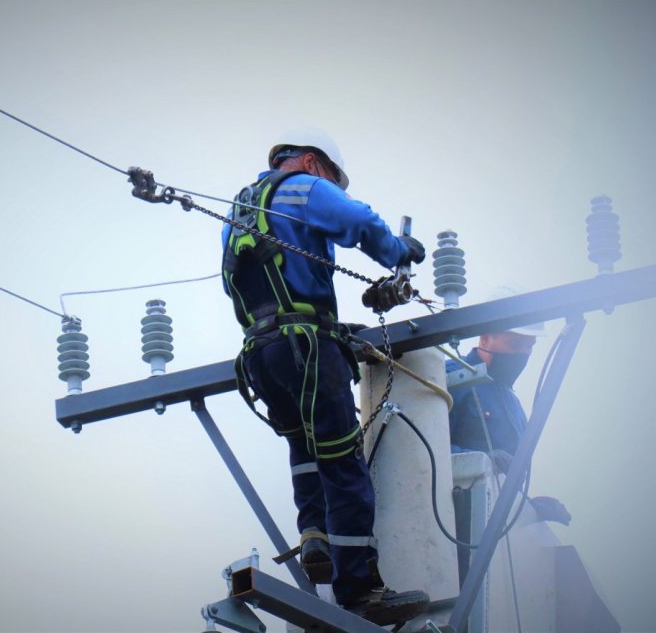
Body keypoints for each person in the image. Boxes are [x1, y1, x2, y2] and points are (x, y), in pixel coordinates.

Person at [221, 128, 429, 625]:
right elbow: (358, 220)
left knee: (304, 447)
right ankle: (360, 592)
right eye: (335, 179)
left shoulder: (238, 210)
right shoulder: (303, 187)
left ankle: (314, 533)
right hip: (308, 349)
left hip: (262, 353)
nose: (335, 188)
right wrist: (400, 250)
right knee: (342, 462)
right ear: (314, 163)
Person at [447, 301, 571, 526]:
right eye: (515, 344)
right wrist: (483, 460)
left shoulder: (512, 403)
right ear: (485, 338)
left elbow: (505, 476)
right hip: (452, 522)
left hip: (491, 533)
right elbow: (420, 452)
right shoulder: (451, 377)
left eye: (529, 347)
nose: (523, 354)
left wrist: (527, 506)